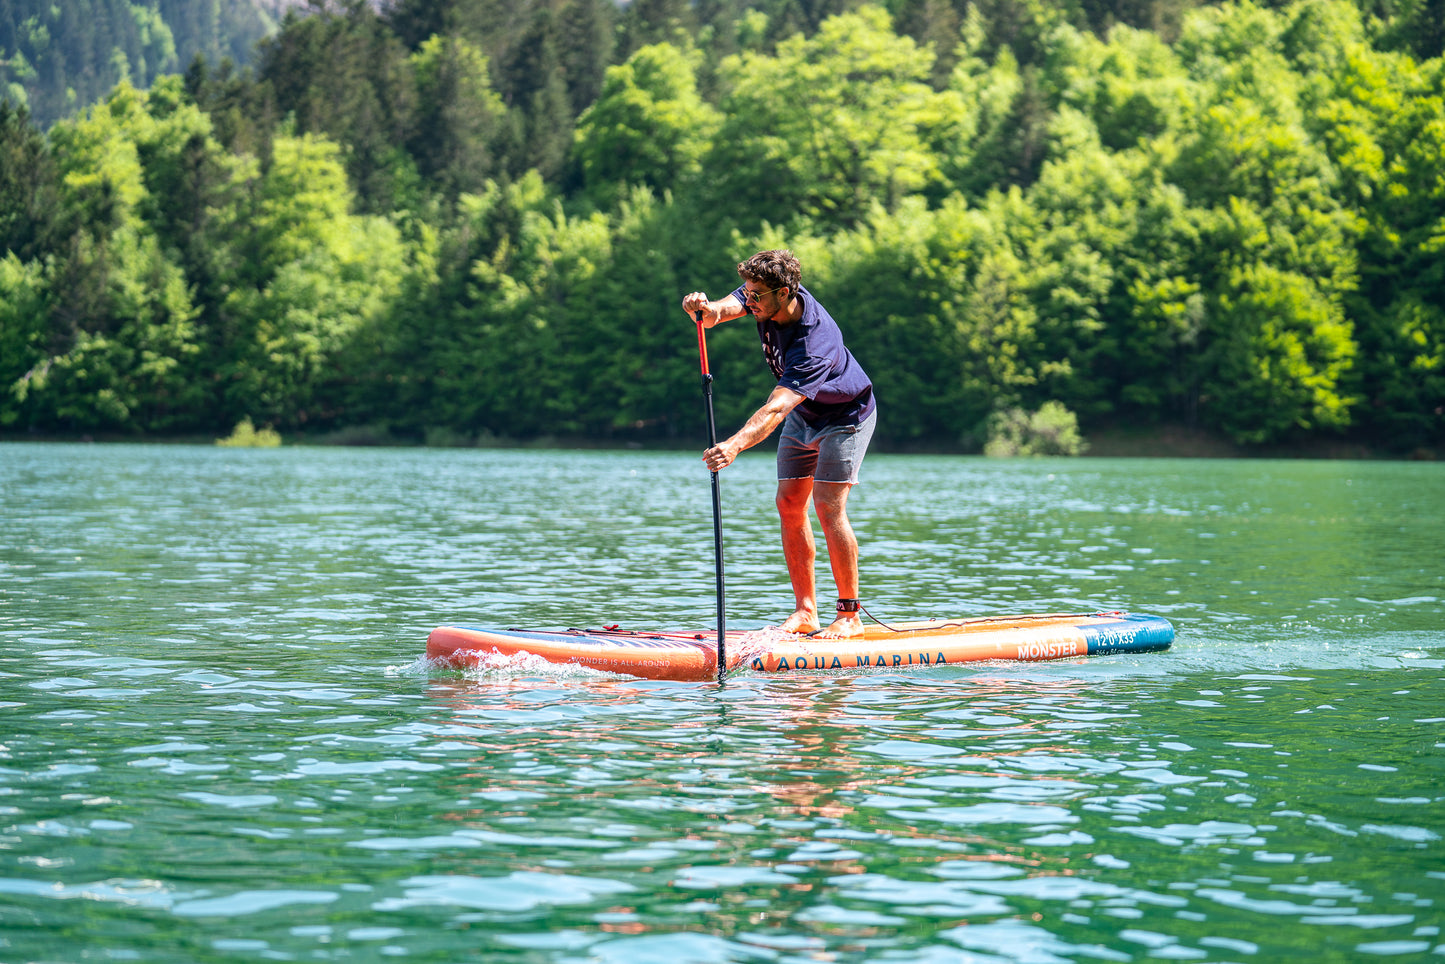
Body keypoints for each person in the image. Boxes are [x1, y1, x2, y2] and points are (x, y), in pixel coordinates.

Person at [682, 249, 877, 639]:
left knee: (826, 506)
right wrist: (705, 310)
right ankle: (806, 612)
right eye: (748, 292)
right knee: (789, 503)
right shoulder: (764, 295)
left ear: (784, 292)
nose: (749, 300)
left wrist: (734, 445)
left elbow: (775, 410)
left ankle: (849, 615)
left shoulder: (815, 341)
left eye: (757, 296)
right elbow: (725, 309)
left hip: (845, 418)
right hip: (805, 416)